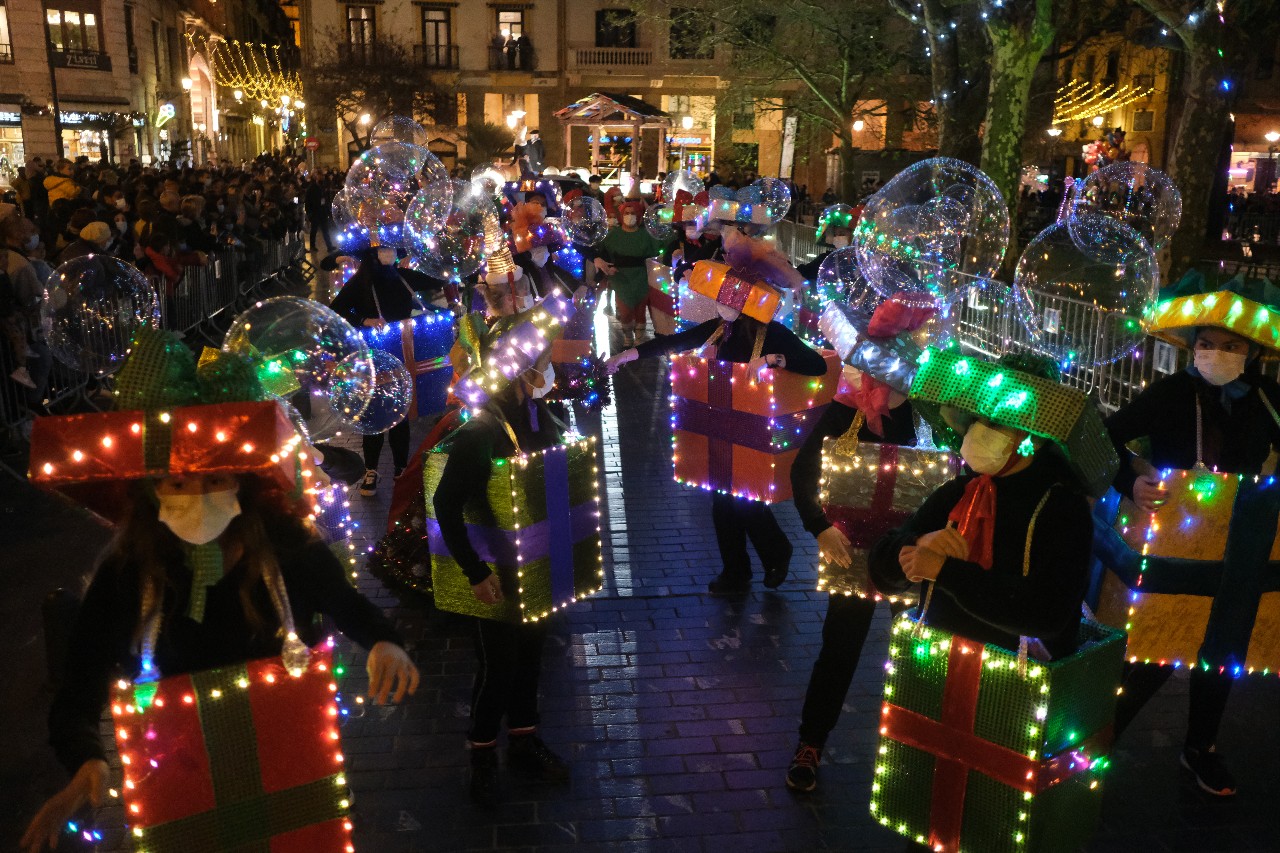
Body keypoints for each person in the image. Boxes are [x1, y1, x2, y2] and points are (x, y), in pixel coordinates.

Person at [20, 331, 419, 853]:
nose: (198, 497)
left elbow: (347, 604)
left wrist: (385, 641)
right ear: (150, 491)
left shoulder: (286, 545)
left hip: (290, 773)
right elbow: (81, 683)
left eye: (213, 480)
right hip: (181, 793)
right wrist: (85, 759)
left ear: (241, 482)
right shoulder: (127, 573)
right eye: (178, 485)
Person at [1099, 276, 1280, 797]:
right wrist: (1131, 479)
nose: (1215, 353)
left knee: (1222, 651)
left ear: (1253, 353)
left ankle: (1201, 747)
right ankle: (1093, 744)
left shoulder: (1266, 400)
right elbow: (1106, 437)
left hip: (1239, 542)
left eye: (1230, 346)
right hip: (1172, 539)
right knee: (1149, 650)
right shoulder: (1172, 392)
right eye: (1205, 343)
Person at [607, 230, 825, 593]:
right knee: (723, 503)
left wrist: (777, 359)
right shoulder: (721, 329)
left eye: (728, 301)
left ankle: (776, 552)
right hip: (720, 424)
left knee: (743, 503)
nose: (721, 306)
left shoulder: (773, 333)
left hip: (755, 428)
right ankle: (736, 573)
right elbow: (675, 342)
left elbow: (815, 364)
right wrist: (626, 356)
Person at [868, 353, 1103, 661]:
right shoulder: (957, 492)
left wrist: (946, 572)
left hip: (1015, 686)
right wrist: (916, 545)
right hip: (936, 670)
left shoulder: (1062, 509)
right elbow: (881, 572)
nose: (977, 431)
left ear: (1031, 436)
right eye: (976, 418)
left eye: (995, 423)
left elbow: (1048, 614)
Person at [783, 300, 926, 793]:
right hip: (854, 553)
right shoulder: (848, 409)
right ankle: (811, 743)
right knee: (839, 649)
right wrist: (819, 526)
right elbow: (802, 470)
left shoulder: (933, 417)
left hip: (916, 556)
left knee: (920, 655)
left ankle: (921, 753)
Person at [432, 324, 570, 806]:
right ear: (519, 370)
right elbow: (447, 505)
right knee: (499, 668)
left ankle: (526, 743)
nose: (549, 368)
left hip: (539, 563)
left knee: (531, 658)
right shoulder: (481, 431)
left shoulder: (543, 415)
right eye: (543, 360)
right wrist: (475, 572)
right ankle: (483, 755)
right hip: (496, 570)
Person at [330, 244, 426, 496]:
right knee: (373, 410)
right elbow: (337, 309)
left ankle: (401, 467)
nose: (390, 253)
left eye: (393, 249)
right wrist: (364, 320)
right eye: (385, 249)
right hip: (373, 355)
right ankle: (370, 469)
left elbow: (433, 280)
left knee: (399, 411)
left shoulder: (402, 276)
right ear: (373, 253)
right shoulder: (362, 281)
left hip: (401, 350)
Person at [593, 185, 670, 347]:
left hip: (642, 276)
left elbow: (662, 243)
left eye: (633, 213)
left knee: (640, 310)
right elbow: (602, 252)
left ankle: (639, 340)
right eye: (626, 213)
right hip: (621, 277)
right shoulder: (612, 235)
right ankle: (628, 336)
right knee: (625, 311)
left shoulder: (646, 234)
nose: (630, 216)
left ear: (639, 215)